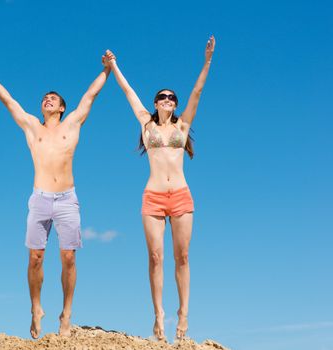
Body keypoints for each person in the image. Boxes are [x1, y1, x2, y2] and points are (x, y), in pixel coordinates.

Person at [0, 53, 111, 338]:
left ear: (61, 108)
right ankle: (36, 308)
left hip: (67, 199)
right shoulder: (32, 126)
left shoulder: (71, 125)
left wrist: (107, 71)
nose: (47, 99)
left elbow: (90, 96)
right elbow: (8, 101)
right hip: (40, 198)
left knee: (69, 257)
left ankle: (66, 313)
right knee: (35, 257)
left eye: (53, 98)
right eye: (44, 98)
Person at [105, 36, 215, 340]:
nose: (167, 100)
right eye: (162, 97)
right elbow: (128, 92)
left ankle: (183, 315)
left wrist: (206, 61)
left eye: (171, 98)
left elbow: (198, 91)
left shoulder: (182, 127)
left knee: (182, 257)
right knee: (155, 257)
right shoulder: (146, 124)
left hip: (180, 195)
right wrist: (113, 66)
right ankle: (159, 316)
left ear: (175, 104)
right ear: (155, 103)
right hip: (153, 197)